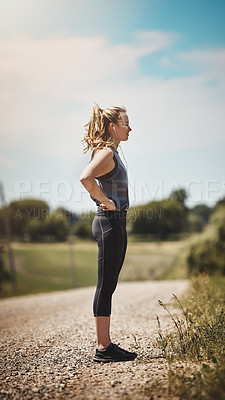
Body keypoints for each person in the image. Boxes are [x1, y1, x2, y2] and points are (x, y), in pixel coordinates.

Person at [80, 104, 137, 363]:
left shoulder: (111, 151)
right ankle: (103, 348)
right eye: (125, 123)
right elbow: (86, 178)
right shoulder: (106, 153)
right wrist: (105, 199)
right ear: (113, 127)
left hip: (116, 222)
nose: (130, 127)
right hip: (108, 222)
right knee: (105, 285)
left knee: (110, 284)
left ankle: (106, 345)